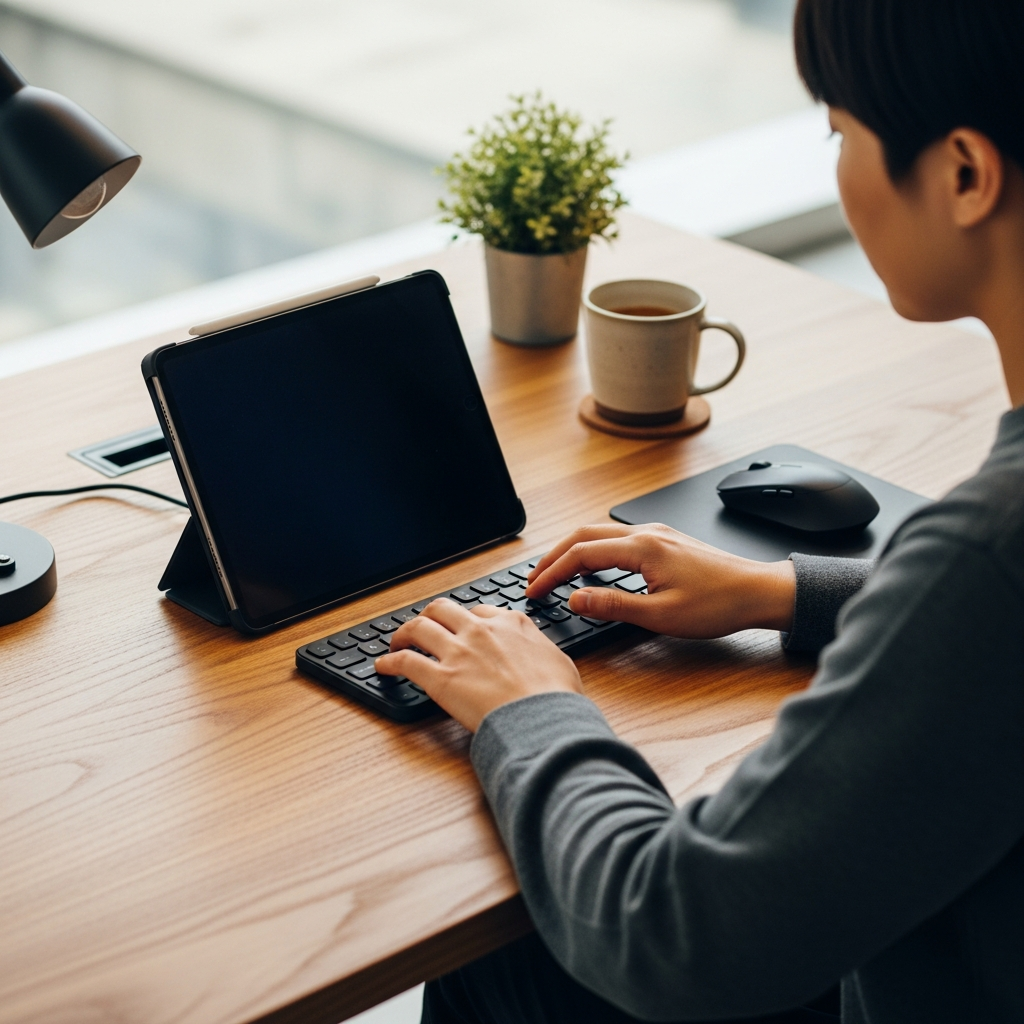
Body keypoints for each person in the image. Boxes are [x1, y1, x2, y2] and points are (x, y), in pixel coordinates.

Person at [374, 1, 1024, 1020]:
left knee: (500, 958)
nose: (838, 170)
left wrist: (526, 708)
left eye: (840, 134)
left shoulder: (989, 554)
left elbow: (674, 932)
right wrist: (779, 590)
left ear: (963, 175)